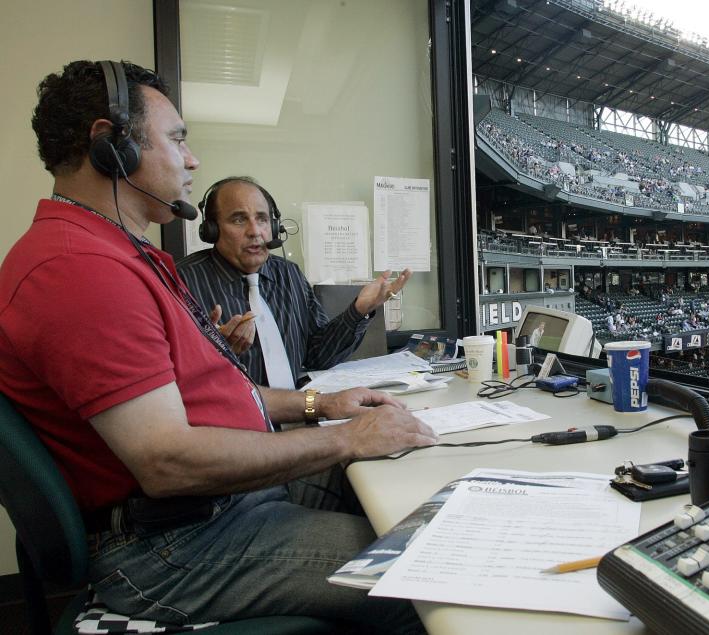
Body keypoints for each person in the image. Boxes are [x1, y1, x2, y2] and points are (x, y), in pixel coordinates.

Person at [0, 59, 436, 631]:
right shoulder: (79, 269)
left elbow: (210, 396)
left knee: (414, 492)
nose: (191, 159)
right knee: (426, 567)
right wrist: (348, 438)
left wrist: (323, 406)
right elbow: (167, 460)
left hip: (220, 504)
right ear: (111, 147)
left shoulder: (117, 255)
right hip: (175, 545)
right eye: (177, 139)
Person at [177, 176, 411, 387]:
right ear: (211, 230)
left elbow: (317, 356)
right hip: (232, 424)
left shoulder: (289, 275)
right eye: (239, 220)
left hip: (298, 413)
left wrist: (360, 310)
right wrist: (216, 352)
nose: (255, 231)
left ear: (275, 228)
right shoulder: (183, 281)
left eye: (262, 219)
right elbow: (178, 377)